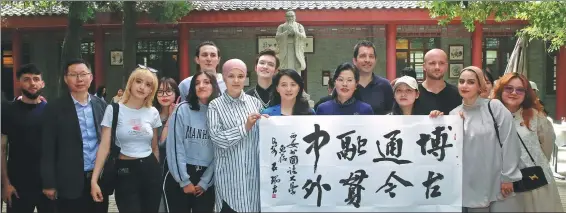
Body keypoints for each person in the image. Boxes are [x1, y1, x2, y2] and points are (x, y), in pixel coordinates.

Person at [449, 66, 524, 212]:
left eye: (471, 82)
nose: (464, 86)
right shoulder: (453, 114)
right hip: (469, 182)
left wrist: (509, 177)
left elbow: (509, 143)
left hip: (497, 180)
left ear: (480, 86)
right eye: (461, 81)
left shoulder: (494, 107)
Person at [41, 59, 109, 213]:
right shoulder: (54, 108)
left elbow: (106, 141)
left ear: (91, 77)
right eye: (74, 75)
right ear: (65, 78)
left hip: (98, 179)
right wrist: (49, 183)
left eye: (83, 74)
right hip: (68, 180)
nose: (79, 79)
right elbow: (48, 148)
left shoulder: (101, 105)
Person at [493, 73, 562, 212]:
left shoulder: (536, 116)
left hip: (534, 179)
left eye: (520, 90)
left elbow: (546, 146)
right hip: (502, 183)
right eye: (509, 88)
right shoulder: (490, 115)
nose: (514, 93)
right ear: (501, 90)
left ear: (526, 93)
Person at [207, 59, 266, 212]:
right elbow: (217, 138)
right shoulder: (215, 105)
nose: (236, 80)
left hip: (253, 179)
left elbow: (263, 139)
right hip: (229, 179)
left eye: (240, 76)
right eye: (231, 76)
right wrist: (245, 127)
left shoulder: (255, 104)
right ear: (224, 78)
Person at [1, 64, 55, 213]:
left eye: (36, 79)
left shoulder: (52, 111)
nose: (32, 83)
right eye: (27, 79)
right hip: (17, 185)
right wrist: (5, 184)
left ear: (42, 83)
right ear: (19, 82)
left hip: (48, 184)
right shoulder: (7, 110)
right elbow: (2, 149)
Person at [166, 71, 220, 213]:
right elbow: (175, 147)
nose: (201, 86)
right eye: (197, 83)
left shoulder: (220, 113)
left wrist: (206, 182)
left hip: (206, 180)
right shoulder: (182, 110)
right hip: (181, 175)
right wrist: (184, 180)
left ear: (214, 86)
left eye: (206, 82)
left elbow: (221, 152)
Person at [153, 77, 181, 213]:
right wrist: (170, 117)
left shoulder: (182, 113)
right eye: (160, 92)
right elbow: (161, 143)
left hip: (175, 171)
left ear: (176, 93)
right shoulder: (152, 114)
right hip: (156, 169)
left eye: (168, 91)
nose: (164, 95)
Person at [351, 40, 393, 115]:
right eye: (363, 56)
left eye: (371, 56)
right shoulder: (347, 85)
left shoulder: (385, 86)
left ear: (375, 60)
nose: (367, 60)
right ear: (354, 60)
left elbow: (390, 114)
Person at [418, 49, 462, 115]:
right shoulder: (414, 93)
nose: (437, 67)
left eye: (441, 63)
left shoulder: (457, 94)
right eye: (432, 63)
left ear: (446, 66)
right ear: (424, 67)